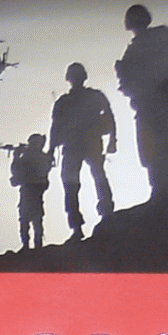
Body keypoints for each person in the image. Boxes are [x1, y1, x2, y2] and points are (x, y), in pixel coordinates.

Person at [114, 3, 168, 199]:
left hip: (162, 101)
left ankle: (165, 190)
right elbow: (126, 82)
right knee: (154, 147)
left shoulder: (151, 41)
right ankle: (161, 190)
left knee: (162, 145)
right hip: (151, 103)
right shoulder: (136, 49)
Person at [48, 61, 117, 238]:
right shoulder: (69, 101)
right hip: (78, 144)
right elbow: (56, 126)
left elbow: (109, 116)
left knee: (90, 179)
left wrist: (112, 139)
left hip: (84, 143)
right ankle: (83, 224)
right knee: (78, 182)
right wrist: (51, 149)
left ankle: (102, 215)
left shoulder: (81, 98)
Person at [8, 132, 52, 250]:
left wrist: (17, 157)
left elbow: (16, 170)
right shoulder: (38, 156)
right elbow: (16, 171)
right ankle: (29, 245)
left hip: (33, 188)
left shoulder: (38, 157)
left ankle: (34, 245)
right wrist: (17, 156)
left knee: (32, 218)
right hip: (31, 188)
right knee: (28, 218)